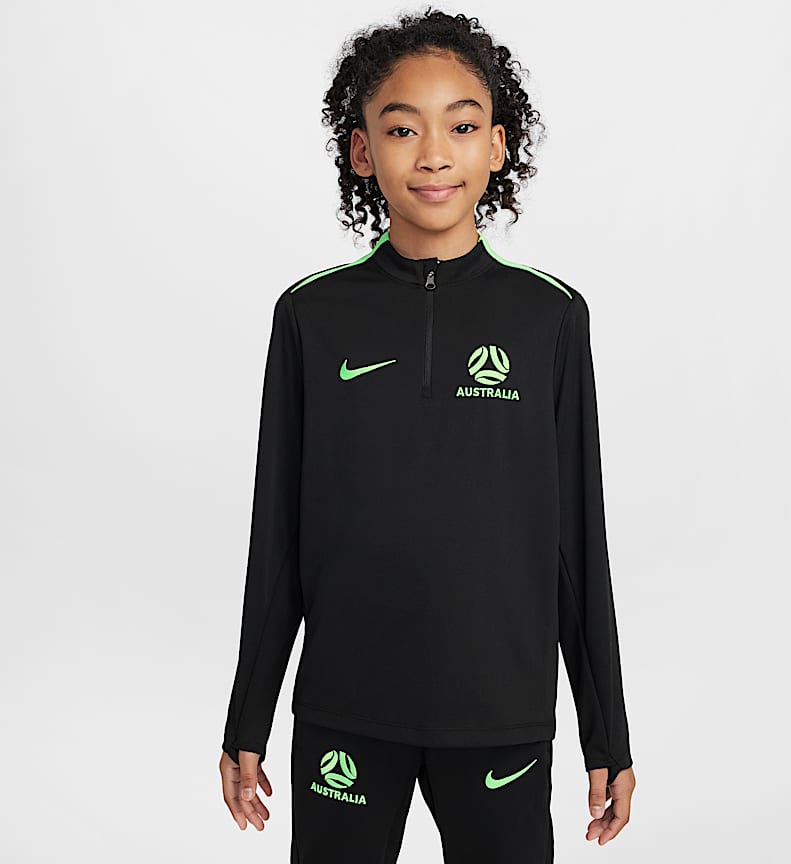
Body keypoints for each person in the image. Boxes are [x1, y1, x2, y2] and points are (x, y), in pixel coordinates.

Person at [218, 7, 636, 859]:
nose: (434, 154)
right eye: (403, 128)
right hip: (346, 708)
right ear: (361, 151)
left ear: (499, 146)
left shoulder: (550, 316)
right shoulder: (311, 316)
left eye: (463, 126)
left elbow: (576, 542)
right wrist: (246, 717)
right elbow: (279, 538)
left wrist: (609, 734)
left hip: (500, 713)